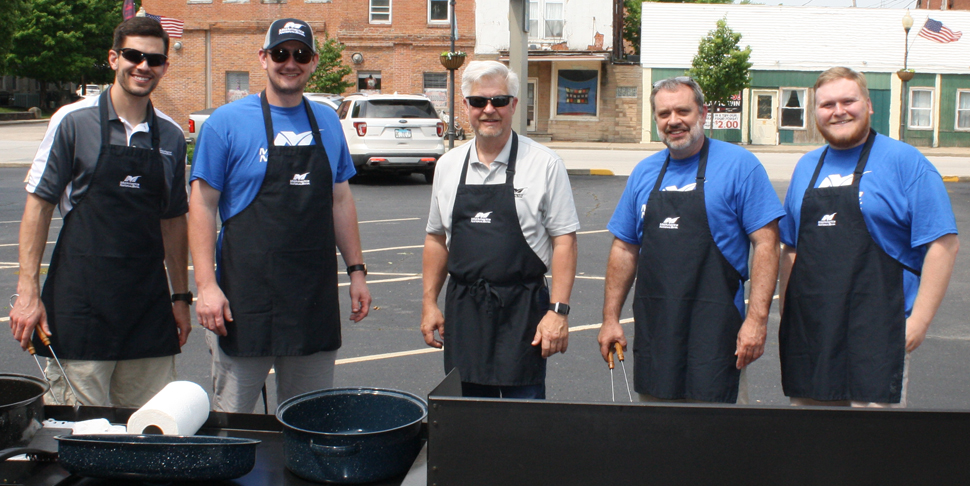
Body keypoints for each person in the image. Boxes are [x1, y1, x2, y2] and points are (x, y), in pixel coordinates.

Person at [189, 18, 371, 413]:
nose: (291, 62)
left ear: (313, 61)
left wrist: (356, 271)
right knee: (232, 422)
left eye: (301, 54)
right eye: (281, 53)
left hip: (312, 300)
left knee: (310, 418)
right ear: (263, 58)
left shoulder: (326, 120)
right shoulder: (226, 123)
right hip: (243, 301)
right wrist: (205, 286)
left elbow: (340, 199)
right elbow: (201, 205)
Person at [8, 17, 190, 408]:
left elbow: (173, 222)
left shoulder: (172, 136)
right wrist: (28, 293)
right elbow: (38, 206)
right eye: (133, 55)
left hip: (146, 309)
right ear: (113, 58)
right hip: (80, 308)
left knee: (150, 433)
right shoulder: (73, 122)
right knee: (76, 436)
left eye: (154, 59)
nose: (143, 66)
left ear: (165, 67)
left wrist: (180, 297)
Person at [778, 67, 959, 408]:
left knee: (871, 452)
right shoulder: (806, 167)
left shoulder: (905, 162)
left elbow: (943, 244)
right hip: (812, 338)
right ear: (815, 111)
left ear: (869, 105)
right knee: (811, 449)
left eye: (849, 100)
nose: (838, 111)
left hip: (877, 337)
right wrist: (789, 320)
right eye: (827, 104)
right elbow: (791, 249)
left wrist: (917, 323)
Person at [598, 76, 784, 404]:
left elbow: (767, 243)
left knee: (713, 440)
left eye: (682, 111)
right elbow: (624, 247)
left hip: (715, 334)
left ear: (702, 113)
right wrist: (610, 318)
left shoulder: (740, 166)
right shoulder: (644, 172)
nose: (673, 121)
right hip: (656, 332)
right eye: (664, 114)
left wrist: (756, 322)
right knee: (659, 437)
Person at [420, 61, 579, 399]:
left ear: (514, 105)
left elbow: (564, 240)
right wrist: (429, 302)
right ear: (466, 106)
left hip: (523, 313)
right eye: (479, 101)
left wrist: (558, 311)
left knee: (522, 427)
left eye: (499, 101)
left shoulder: (544, 164)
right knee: (469, 422)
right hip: (464, 312)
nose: (489, 110)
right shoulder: (448, 166)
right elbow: (436, 238)